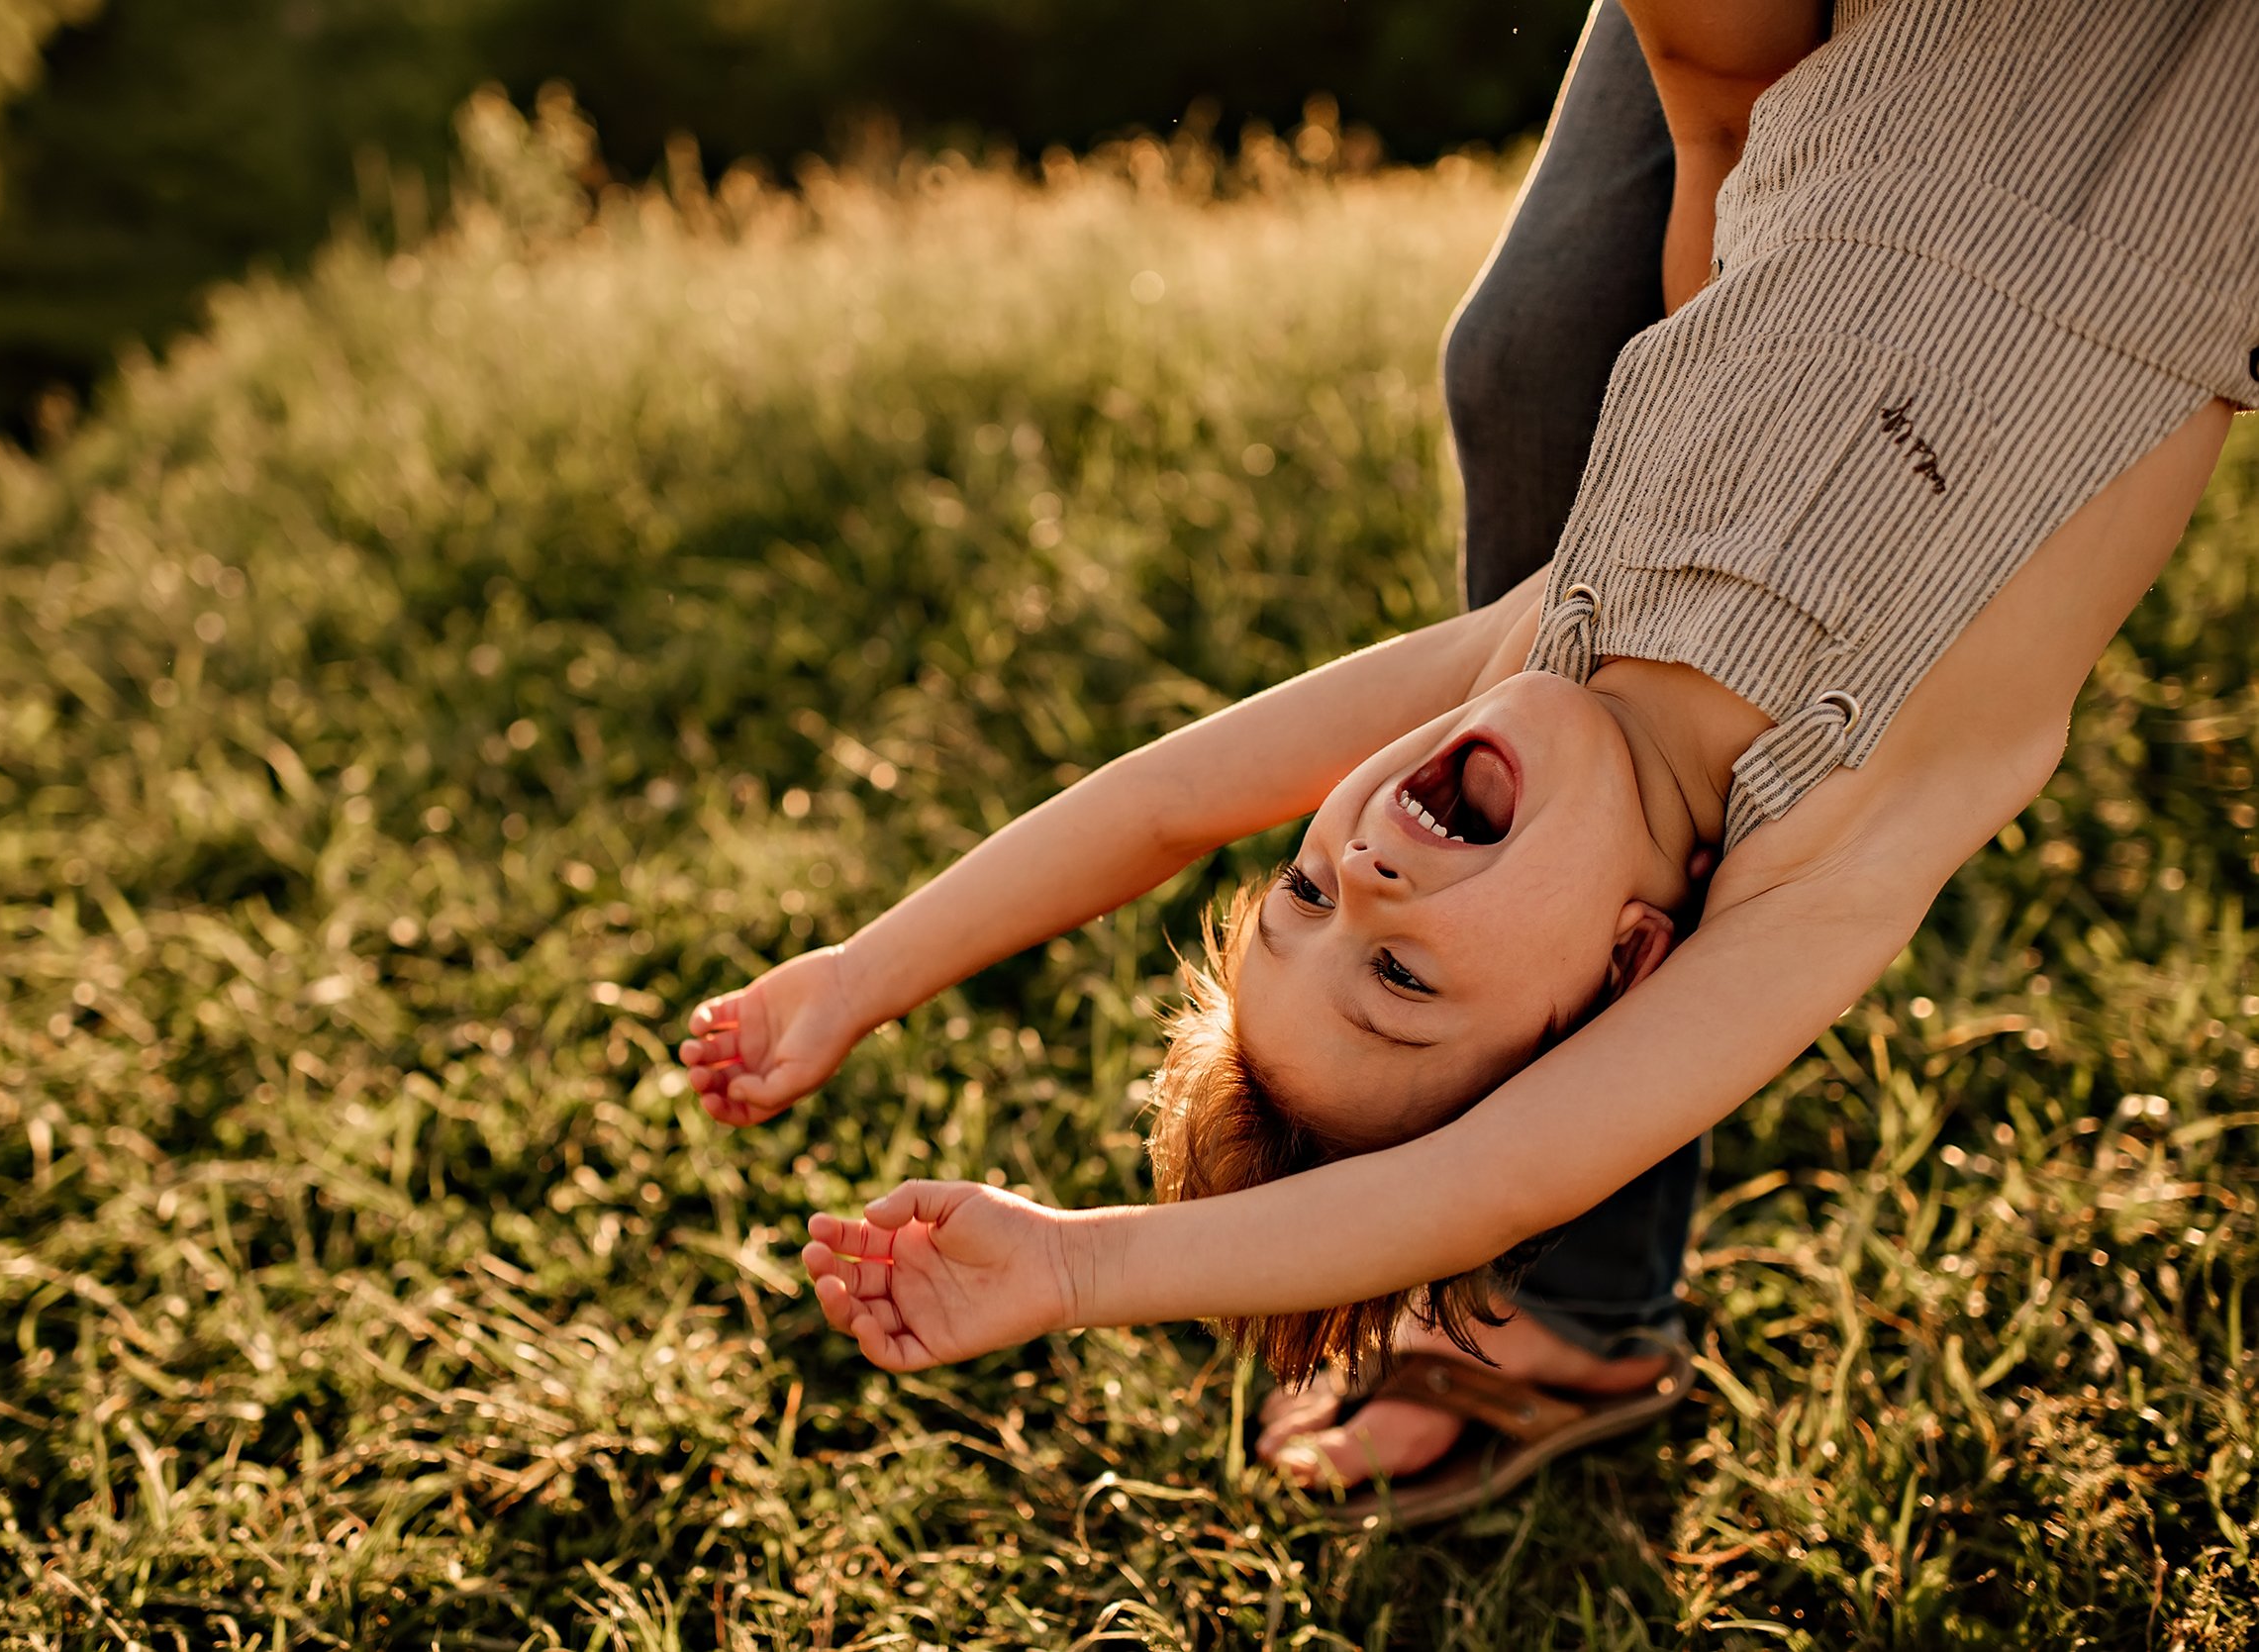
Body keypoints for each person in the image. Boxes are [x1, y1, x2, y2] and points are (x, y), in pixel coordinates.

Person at [688, 0, 2259, 1523]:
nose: (1360, 874)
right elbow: (1489, 1184)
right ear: (1631, 974)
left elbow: (1165, 798)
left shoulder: (1545, 630)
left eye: (1304, 892)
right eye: (1407, 980)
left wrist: (862, 971)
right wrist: (1073, 1266)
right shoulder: (1829, 847)